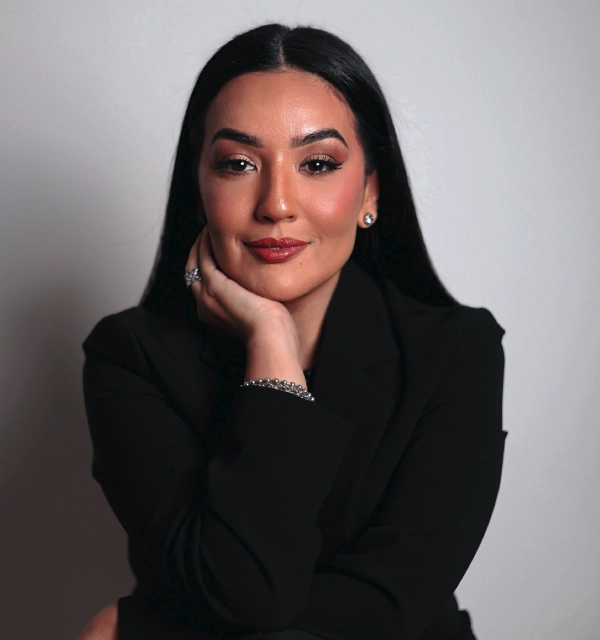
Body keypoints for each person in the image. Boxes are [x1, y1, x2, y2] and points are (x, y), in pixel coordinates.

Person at [77, 23, 507, 640]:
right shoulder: (130, 357)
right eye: (238, 164)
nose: (276, 203)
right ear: (199, 190)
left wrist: (150, 628)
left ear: (371, 191)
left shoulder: (456, 351)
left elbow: (392, 604)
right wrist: (271, 344)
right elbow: (245, 591)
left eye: (318, 164)